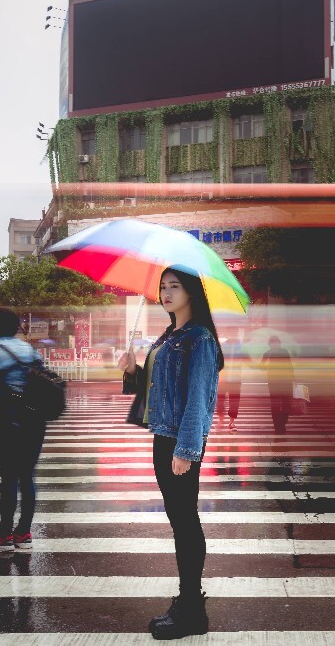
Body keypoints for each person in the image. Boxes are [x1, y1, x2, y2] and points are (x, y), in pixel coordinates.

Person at [120, 267, 223, 640]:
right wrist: (132, 372)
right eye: (163, 287)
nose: (166, 292)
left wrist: (187, 449)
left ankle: (192, 610)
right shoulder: (170, 335)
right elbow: (158, 391)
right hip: (163, 437)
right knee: (179, 518)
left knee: (185, 520)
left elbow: (198, 398)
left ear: (192, 292)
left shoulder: (199, 339)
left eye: (174, 286)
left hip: (179, 441)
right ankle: (188, 602)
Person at [0, 308, 44, 552]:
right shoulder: (29, 349)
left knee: (8, 478)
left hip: (9, 421)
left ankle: (4, 535)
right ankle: (23, 533)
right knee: (27, 476)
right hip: (35, 419)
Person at [261, 336, 294, 434]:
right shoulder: (267, 353)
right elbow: (262, 367)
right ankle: (277, 425)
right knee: (275, 404)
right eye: (273, 343)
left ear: (279, 343)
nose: (275, 345)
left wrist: (293, 378)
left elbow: (290, 365)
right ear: (270, 344)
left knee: (286, 403)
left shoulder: (284, 352)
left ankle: (282, 421)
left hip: (286, 381)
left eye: (276, 343)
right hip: (273, 382)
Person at [215, 337, 242, 432]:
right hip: (223, 379)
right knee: (220, 400)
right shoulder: (223, 346)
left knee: (234, 401)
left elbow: (248, 360)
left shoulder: (242, 347)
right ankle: (221, 420)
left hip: (236, 379)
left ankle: (232, 422)